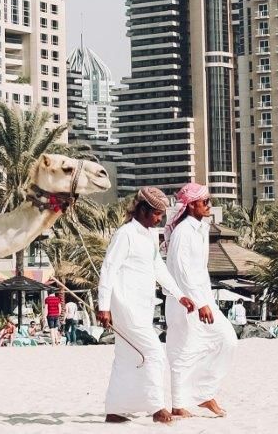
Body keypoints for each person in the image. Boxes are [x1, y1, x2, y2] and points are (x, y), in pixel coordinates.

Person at [98, 186, 195, 424]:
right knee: (153, 352)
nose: (160, 218)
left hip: (143, 305)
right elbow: (108, 269)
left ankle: (115, 410)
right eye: (157, 213)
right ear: (142, 209)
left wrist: (179, 294)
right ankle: (157, 408)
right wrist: (103, 306)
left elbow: (157, 268)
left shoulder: (150, 235)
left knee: (125, 356)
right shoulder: (125, 234)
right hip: (125, 305)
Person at [164, 182, 237, 419]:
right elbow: (181, 271)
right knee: (182, 351)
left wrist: (206, 300)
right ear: (192, 205)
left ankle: (204, 393)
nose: (209, 205)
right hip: (184, 301)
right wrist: (199, 302)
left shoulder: (200, 228)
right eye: (205, 202)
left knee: (227, 340)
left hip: (203, 298)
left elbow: (198, 271)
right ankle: (178, 404)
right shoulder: (183, 232)